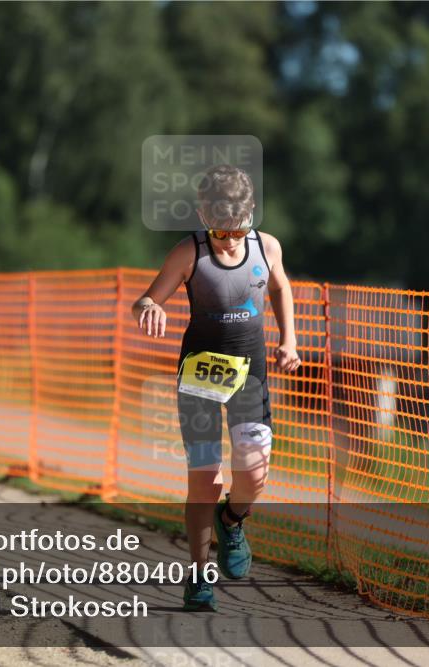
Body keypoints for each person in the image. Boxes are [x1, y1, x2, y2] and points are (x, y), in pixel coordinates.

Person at [132, 164, 300, 611]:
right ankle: (198, 576)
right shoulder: (189, 253)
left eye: (236, 232)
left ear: (251, 215)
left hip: (251, 373)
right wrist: (150, 308)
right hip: (202, 374)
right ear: (203, 215)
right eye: (219, 233)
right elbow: (147, 297)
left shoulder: (266, 248)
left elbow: (281, 288)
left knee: (255, 470)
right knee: (204, 479)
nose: (228, 242)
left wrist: (289, 339)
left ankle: (233, 519)